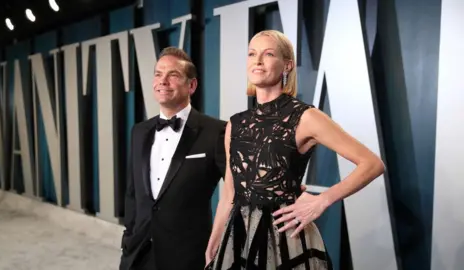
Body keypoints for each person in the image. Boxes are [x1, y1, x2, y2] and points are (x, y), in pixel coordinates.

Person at [204, 30, 385, 269]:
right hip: (238, 240)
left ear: (287, 65)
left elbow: (372, 164)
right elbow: (229, 193)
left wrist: (322, 200)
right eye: (251, 54)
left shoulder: (305, 117)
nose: (257, 61)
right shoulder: (235, 124)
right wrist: (215, 238)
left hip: (285, 241)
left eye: (268, 54)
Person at [119, 47, 227, 270]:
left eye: (173, 75)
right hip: (138, 255)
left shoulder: (216, 131)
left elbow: (238, 191)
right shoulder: (139, 131)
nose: (163, 81)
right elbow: (133, 194)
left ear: (192, 85)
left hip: (189, 257)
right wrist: (128, 240)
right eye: (158, 74)